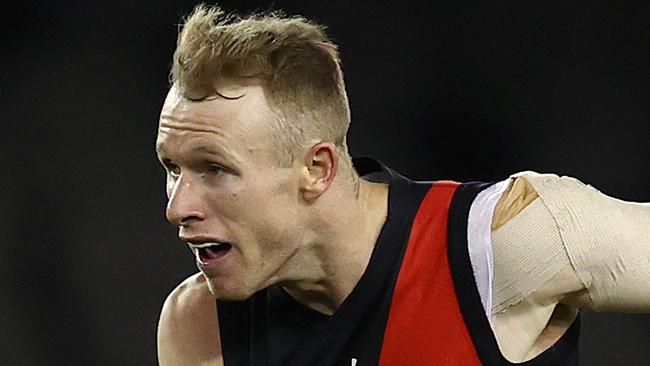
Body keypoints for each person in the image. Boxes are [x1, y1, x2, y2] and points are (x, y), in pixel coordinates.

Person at [155, 4, 650, 366]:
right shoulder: (199, 327)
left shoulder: (506, 243)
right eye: (172, 168)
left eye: (214, 169)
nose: (177, 208)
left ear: (317, 169)